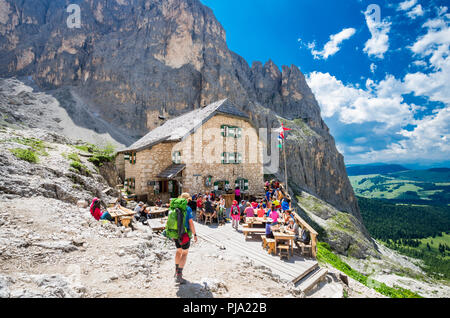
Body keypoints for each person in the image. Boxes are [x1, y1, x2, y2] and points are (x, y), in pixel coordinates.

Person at [172, 193, 198, 285]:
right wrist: (195, 234)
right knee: (185, 253)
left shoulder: (174, 208)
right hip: (185, 235)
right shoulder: (187, 209)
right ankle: (179, 275)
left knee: (178, 251)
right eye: (189, 200)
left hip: (175, 234)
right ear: (187, 199)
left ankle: (176, 271)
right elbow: (191, 223)